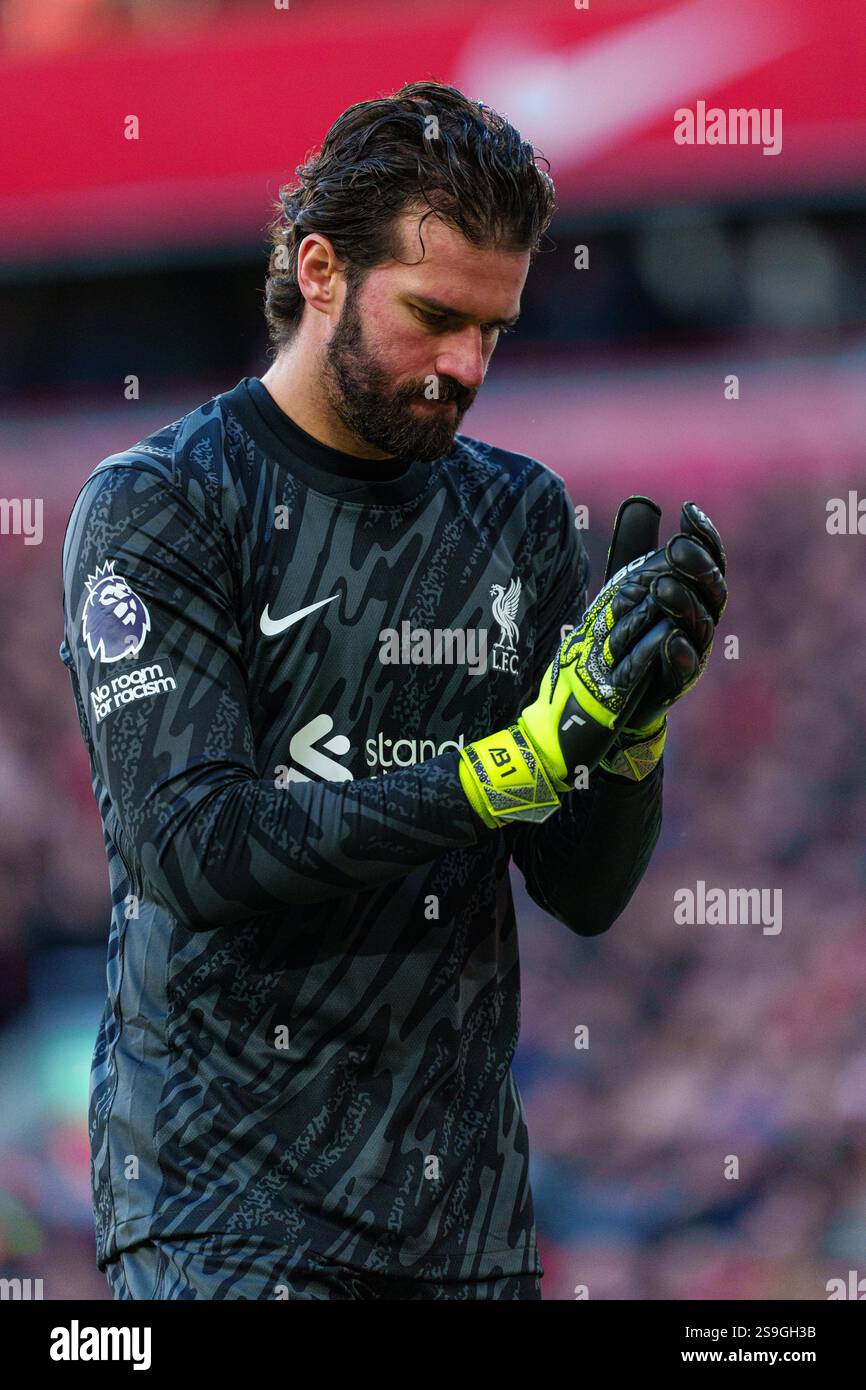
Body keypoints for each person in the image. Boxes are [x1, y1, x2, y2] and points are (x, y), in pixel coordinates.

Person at [58, 80, 726, 1301]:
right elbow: (191, 847)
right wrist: (516, 760)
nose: (464, 366)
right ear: (319, 271)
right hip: (219, 1209)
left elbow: (579, 892)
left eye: (494, 330)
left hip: (463, 1221)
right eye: (432, 316)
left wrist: (623, 738)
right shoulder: (161, 503)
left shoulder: (513, 511)